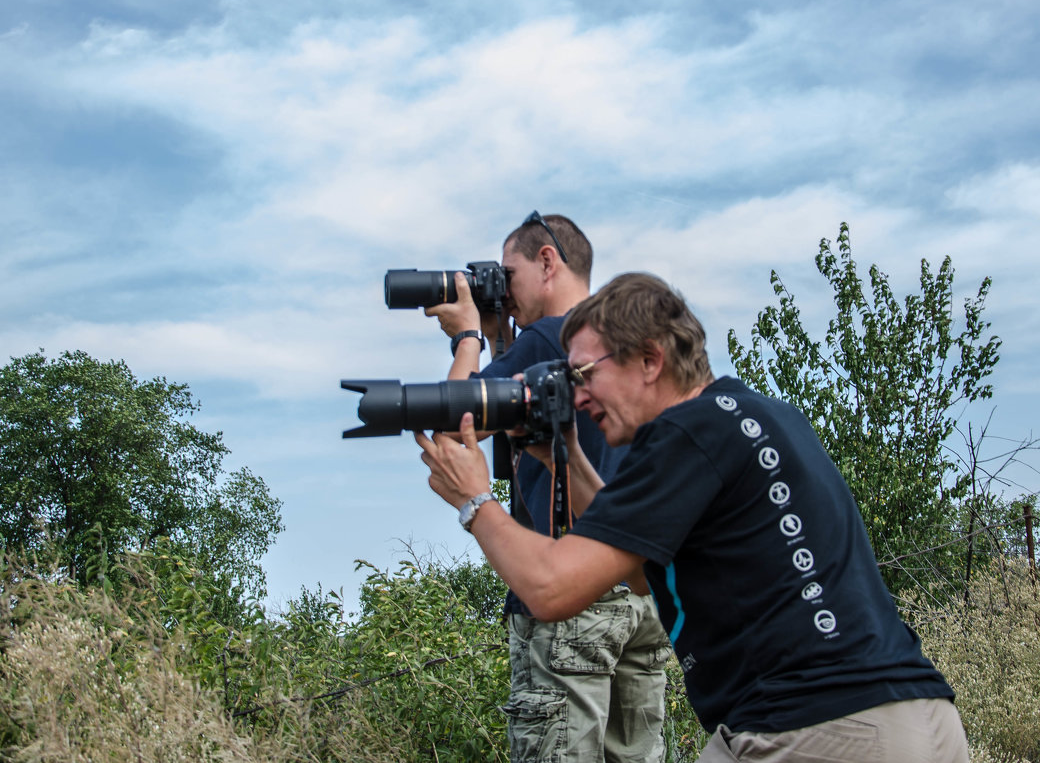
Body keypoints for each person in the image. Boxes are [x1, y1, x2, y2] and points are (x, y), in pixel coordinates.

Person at [415, 272, 969, 763]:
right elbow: (634, 574)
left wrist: (475, 500)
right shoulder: (756, 414)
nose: (577, 398)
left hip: (818, 729)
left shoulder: (682, 437)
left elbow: (552, 589)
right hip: (914, 715)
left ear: (651, 359)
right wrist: (568, 460)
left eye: (584, 374)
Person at [424, 214, 669, 763]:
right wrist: (498, 340)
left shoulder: (543, 340)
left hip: (569, 583)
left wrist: (466, 338)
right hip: (639, 589)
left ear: (547, 262)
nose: (503, 290)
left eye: (507, 274)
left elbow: (453, 427)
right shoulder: (622, 346)